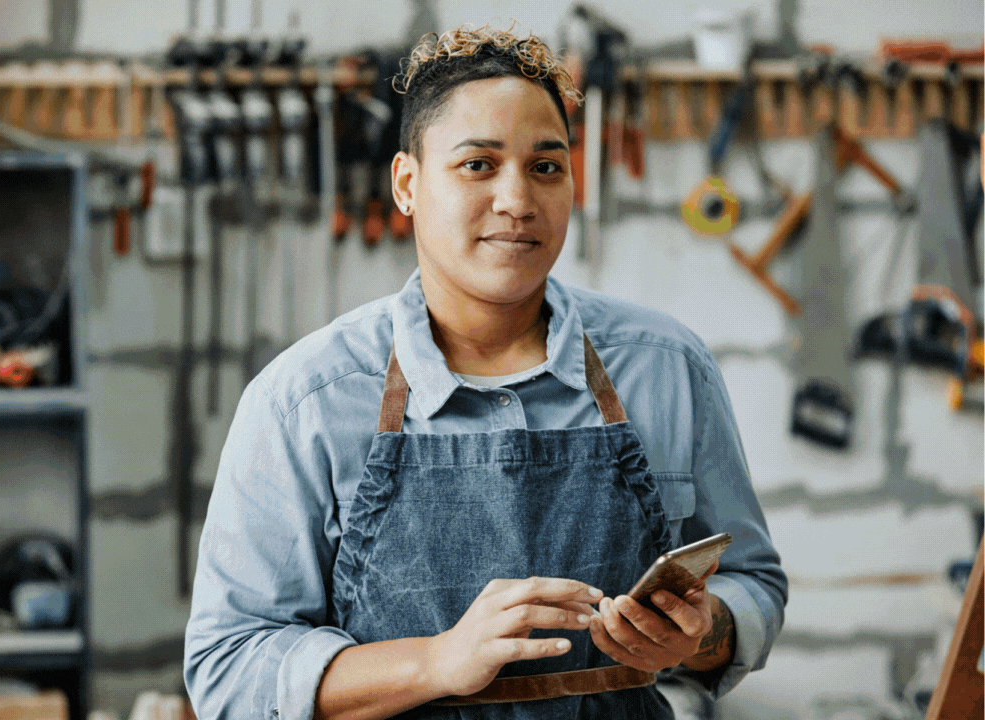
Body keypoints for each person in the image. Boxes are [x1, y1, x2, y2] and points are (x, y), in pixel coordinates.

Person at [184, 24, 787, 720]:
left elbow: (753, 582)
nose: (518, 200)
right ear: (408, 185)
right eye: (478, 165)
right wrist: (435, 662)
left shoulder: (666, 368)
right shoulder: (307, 401)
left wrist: (703, 632)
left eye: (546, 166)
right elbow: (228, 668)